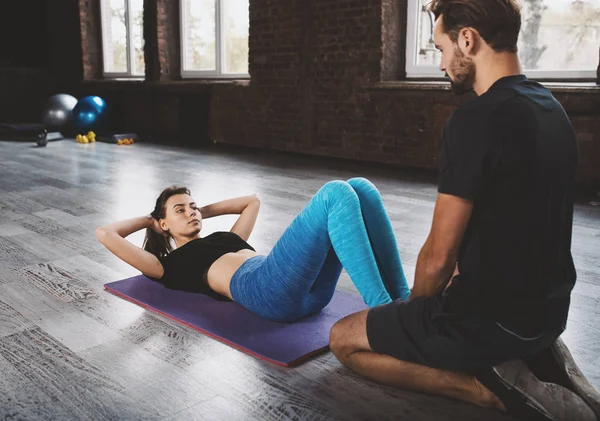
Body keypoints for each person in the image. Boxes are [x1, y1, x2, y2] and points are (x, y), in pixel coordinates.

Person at [328, 1, 598, 420]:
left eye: (440, 48)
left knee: (342, 339)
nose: (440, 64)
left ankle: (483, 388)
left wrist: (413, 315)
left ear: (467, 40)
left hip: (492, 321)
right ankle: (533, 354)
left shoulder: (474, 120)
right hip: (549, 311)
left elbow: (438, 256)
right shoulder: (552, 109)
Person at [96, 178, 411, 323]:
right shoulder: (168, 264)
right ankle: (388, 316)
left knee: (361, 188)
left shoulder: (224, 236)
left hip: (309, 292)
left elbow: (251, 201)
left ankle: (407, 302)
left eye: (192, 207)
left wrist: (199, 209)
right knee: (336, 193)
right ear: (163, 224)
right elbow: (105, 233)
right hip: (266, 290)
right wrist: (151, 220)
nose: (191, 212)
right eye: (180, 210)